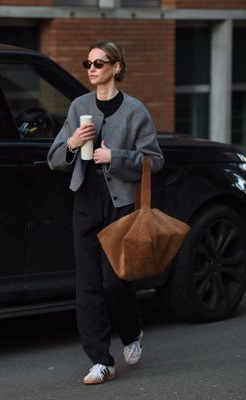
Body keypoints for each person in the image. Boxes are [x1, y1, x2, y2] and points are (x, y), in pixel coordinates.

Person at [48, 40, 164, 385]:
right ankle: (100, 361)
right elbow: (54, 157)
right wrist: (72, 143)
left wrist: (117, 158)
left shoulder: (136, 111)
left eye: (100, 63)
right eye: (88, 63)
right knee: (87, 286)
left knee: (116, 282)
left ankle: (132, 332)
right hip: (85, 199)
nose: (92, 68)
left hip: (121, 203)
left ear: (116, 67)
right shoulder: (79, 106)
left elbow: (155, 160)